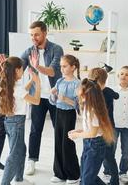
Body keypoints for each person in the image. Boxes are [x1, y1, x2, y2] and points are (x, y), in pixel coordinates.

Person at [21, 21, 63, 175]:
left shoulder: (56, 49)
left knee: (58, 130)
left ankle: (60, 163)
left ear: (45, 33)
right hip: (37, 97)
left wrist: (37, 66)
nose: (34, 37)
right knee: (35, 129)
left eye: (37, 34)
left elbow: (52, 71)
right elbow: (17, 68)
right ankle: (31, 160)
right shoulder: (29, 51)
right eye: (31, 35)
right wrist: (5, 66)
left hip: (55, 96)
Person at [0, 56, 41, 185]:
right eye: (22, 69)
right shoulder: (17, 88)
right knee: (15, 154)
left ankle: (19, 178)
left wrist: (32, 81)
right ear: (17, 70)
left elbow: (23, 91)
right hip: (17, 123)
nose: (23, 71)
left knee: (21, 150)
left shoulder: (11, 85)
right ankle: (4, 183)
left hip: (11, 122)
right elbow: (36, 101)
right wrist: (38, 84)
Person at [68, 78, 114, 185]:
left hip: (95, 145)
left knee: (87, 180)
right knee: (86, 176)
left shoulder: (93, 111)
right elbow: (91, 129)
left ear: (86, 95)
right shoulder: (87, 108)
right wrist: (79, 130)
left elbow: (93, 133)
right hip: (89, 143)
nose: (78, 96)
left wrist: (77, 135)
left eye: (80, 94)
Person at [49, 55, 81, 184]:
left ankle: (73, 175)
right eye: (61, 66)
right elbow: (53, 102)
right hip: (59, 113)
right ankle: (59, 173)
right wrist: (53, 95)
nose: (61, 69)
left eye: (64, 66)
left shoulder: (77, 83)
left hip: (69, 115)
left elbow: (79, 106)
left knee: (67, 143)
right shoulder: (59, 81)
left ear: (73, 67)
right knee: (58, 142)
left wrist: (65, 99)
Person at [88, 68, 120, 185]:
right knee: (108, 157)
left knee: (107, 156)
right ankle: (113, 180)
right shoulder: (107, 91)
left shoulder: (95, 94)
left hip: (105, 129)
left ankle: (114, 181)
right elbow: (117, 96)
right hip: (102, 129)